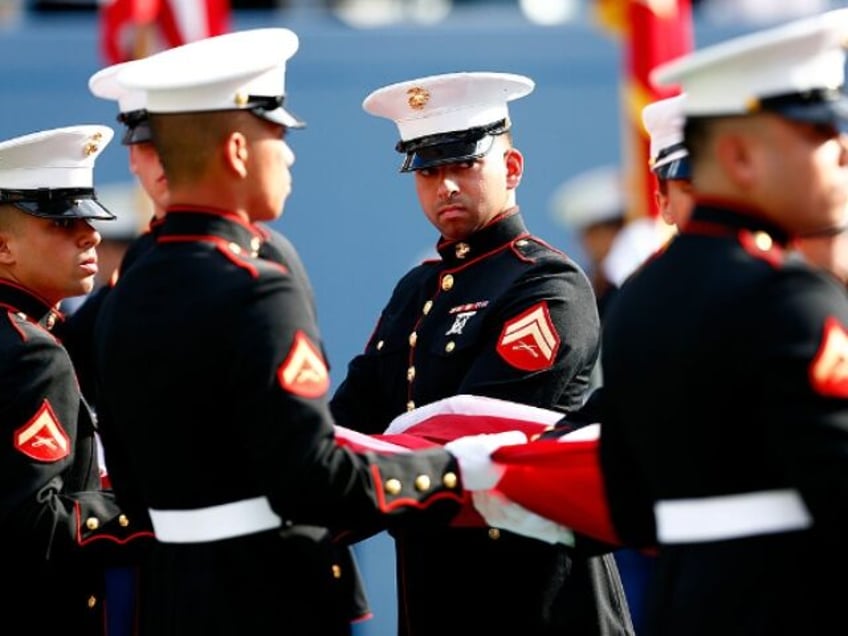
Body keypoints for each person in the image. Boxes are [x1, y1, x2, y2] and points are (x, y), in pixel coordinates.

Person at [455, 9, 848, 636]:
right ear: (743, 155)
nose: (843, 151)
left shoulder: (640, 297)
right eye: (819, 133)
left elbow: (630, 505)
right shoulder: (793, 299)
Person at [90, 27, 486, 636]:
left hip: (166, 589)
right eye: (277, 135)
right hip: (266, 594)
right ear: (240, 152)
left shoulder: (129, 283)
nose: (291, 154)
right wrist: (450, 468)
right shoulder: (254, 286)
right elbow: (312, 478)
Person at [329, 71, 633, 636]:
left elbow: (480, 440)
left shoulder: (548, 283)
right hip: (433, 586)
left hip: (535, 592)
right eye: (427, 169)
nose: (444, 186)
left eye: (462, 163)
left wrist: (343, 468)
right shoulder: (415, 292)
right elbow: (352, 415)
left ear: (511, 168)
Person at [0, 123, 154, 636]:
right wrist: (157, 506)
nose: (89, 233)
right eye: (60, 223)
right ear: (4, 248)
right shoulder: (33, 355)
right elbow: (32, 524)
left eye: (86, 218)